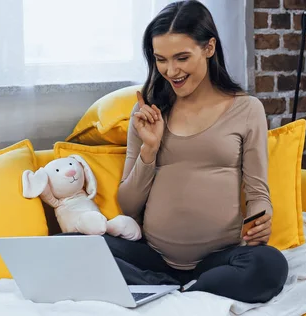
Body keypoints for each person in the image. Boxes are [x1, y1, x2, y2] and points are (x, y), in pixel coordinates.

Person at [106, 0, 288, 304]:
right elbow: (128, 206)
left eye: (181, 57)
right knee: (67, 246)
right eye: (161, 59)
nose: (170, 70)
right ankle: (173, 289)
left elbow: (258, 193)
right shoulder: (148, 111)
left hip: (219, 259)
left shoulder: (246, 109)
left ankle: (182, 291)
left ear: (209, 47)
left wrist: (261, 220)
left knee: (269, 266)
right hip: (152, 257)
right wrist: (149, 150)